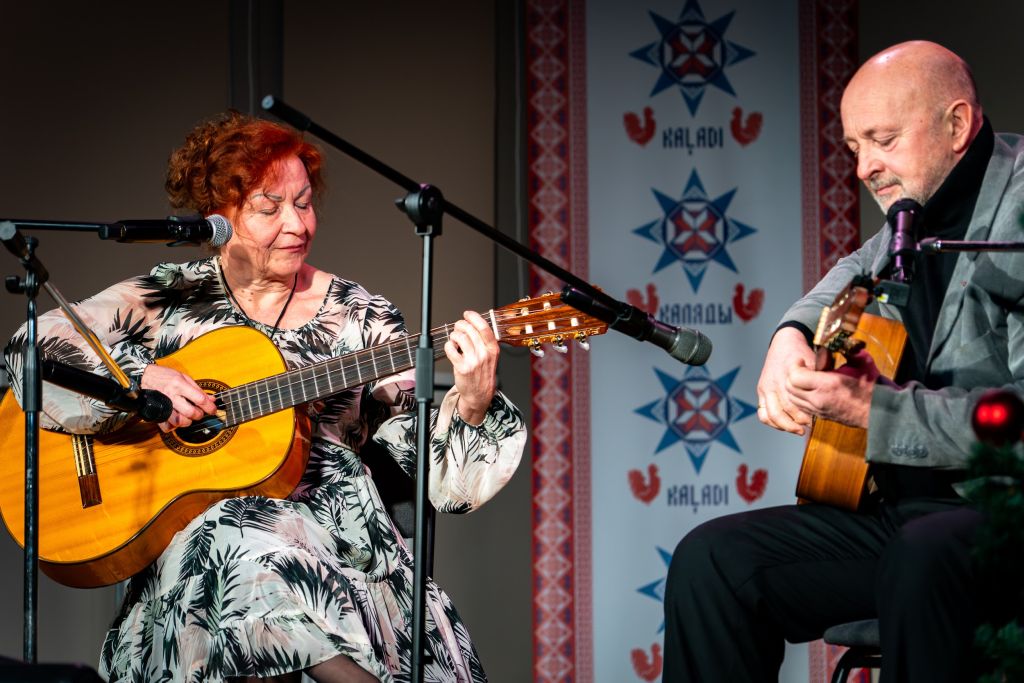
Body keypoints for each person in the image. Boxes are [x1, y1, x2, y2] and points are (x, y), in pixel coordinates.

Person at [3, 111, 526, 682]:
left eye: (303, 203)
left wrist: (472, 404)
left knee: (234, 546)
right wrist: (140, 380)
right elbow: (31, 351)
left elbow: (432, 479)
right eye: (269, 207)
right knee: (226, 537)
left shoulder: (361, 318)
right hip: (199, 563)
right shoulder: (172, 298)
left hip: (335, 558)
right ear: (217, 218)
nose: (296, 224)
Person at [662, 41, 1024, 682]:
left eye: (882, 140)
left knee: (922, 556)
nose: (864, 168)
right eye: (855, 147)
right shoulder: (916, 213)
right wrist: (789, 334)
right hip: (909, 519)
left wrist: (873, 411)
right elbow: (858, 267)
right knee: (711, 561)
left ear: (957, 125)